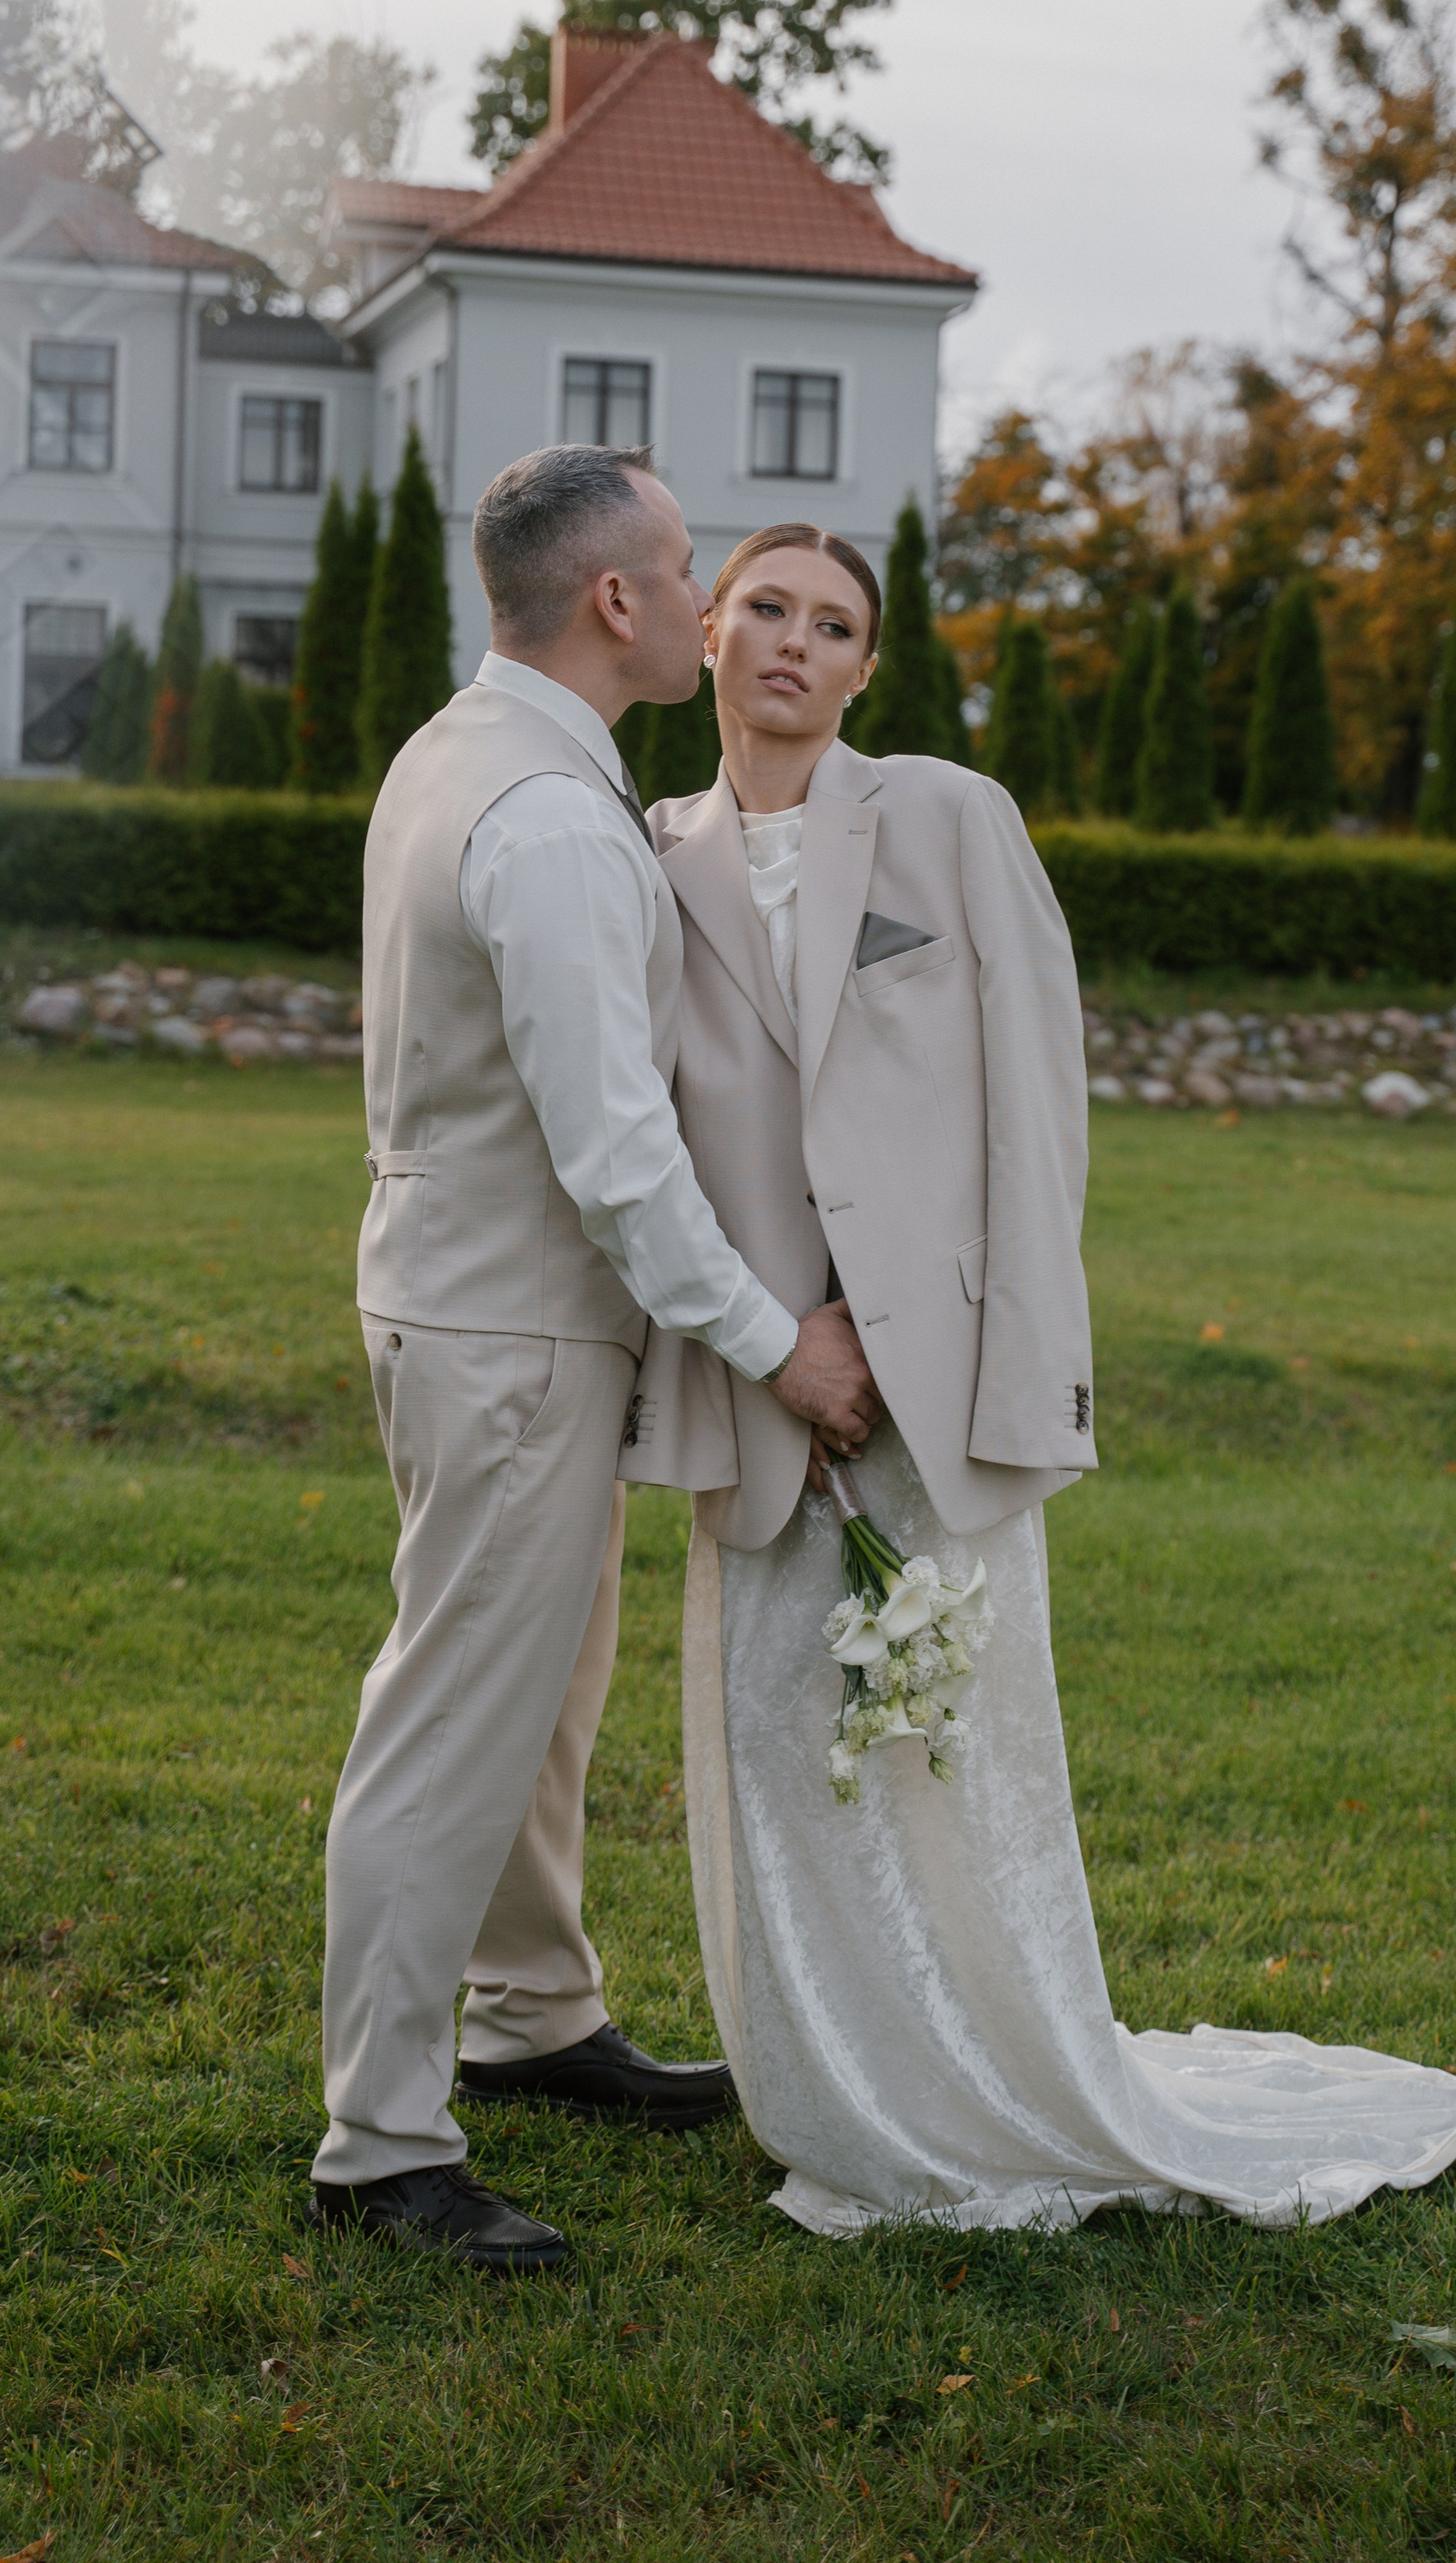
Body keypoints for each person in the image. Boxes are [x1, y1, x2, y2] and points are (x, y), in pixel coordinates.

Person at [637, 522, 1456, 2234]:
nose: (796, 646)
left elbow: (1032, 1114)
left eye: (834, 625)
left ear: (867, 668)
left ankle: (999, 2073)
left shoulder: (949, 818)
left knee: (954, 1754)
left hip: (931, 1379)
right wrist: (763, 1350)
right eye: (767, 614)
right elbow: (649, 1135)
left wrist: (956, 1354)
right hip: (753, 1372)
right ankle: (837, 2099)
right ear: (710, 634)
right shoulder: (649, 853)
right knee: (778, 1748)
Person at [308, 449, 879, 2273]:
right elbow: (612, 1150)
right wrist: (770, 1340)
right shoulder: (550, 821)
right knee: (455, 1716)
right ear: (617, 605)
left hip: (475, 1294)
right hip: (511, 1322)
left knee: (540, 1699)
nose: (715, 598)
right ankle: (381, 2144)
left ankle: (531, 2016)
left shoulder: (469, 753)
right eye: (693, 569)